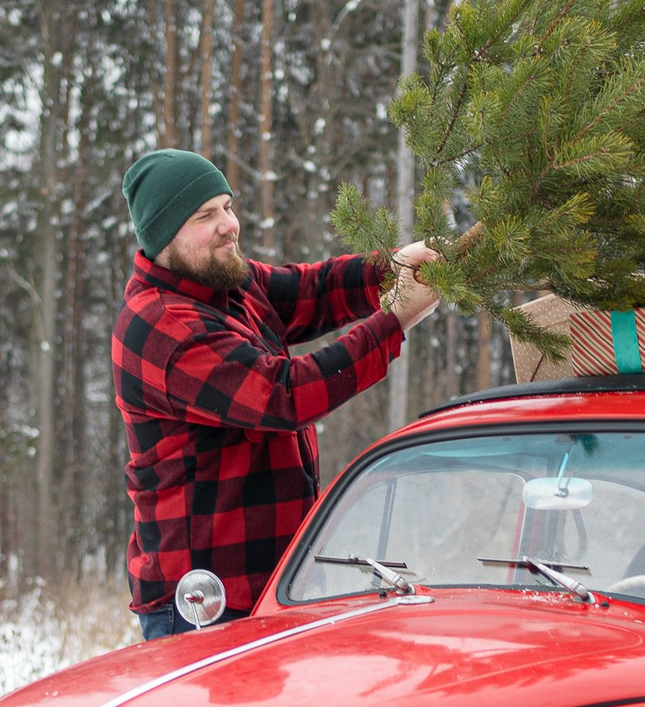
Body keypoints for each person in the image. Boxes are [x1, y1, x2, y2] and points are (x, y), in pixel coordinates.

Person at [111, 150, 439, 640]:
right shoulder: (160, 324)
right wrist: (393, 320)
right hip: (205, 606)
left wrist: (390, 269)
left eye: (227, 206)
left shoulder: (224, 285)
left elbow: (312, 289)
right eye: (206, 216)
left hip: (274, 584)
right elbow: (284, 396)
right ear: (164, 237)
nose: (228, 225)